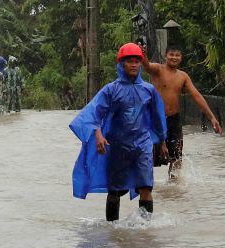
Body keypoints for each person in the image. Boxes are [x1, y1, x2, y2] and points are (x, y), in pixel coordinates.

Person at [69, 43, 168, 222]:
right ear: (121, 64)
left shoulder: (149, 90)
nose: (134, 65)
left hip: (142, 144)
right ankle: (112, 228)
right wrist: (98, 135)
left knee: (146, 187)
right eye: (129, 61)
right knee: (115, 190)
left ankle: (145, 228)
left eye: (137, 61)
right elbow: (94, 114)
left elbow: (158, 119)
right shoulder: (111, 90)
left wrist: (162, 142)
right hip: (117, 146)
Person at [141, 42, 222, 179]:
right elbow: (147, 66)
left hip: (174, 120)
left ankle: (174, 190)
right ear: (166, 56)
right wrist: (143, 54)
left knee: (177, 159)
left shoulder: (183, 76)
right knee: (150, 157)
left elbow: (196, 96)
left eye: (177, 55)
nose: (174, 57)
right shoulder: (158, 69)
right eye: (171, 54)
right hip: (156, 120)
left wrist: (212, 117)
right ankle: (148, 189)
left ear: (181, 57)